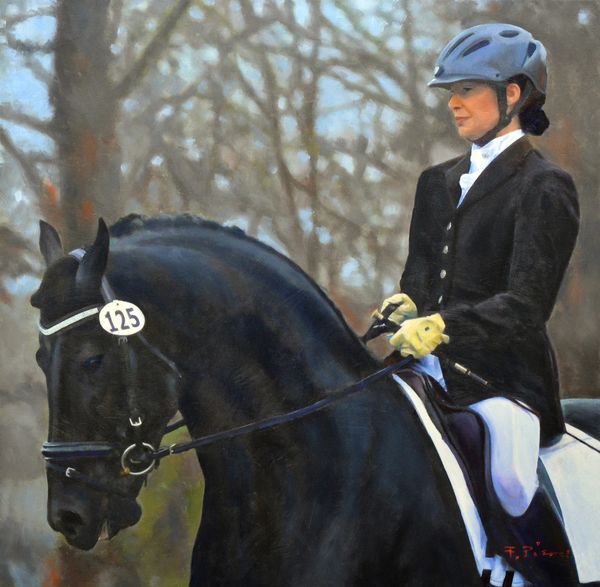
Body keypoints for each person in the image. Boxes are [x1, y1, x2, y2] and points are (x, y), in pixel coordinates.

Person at [374, 23, 579, 522]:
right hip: (425, 370)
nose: (454, 103)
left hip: (504, 383)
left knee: (510, 484)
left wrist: (445, 326)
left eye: (467, 90)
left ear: (512, 94)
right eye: (452, 92)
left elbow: (527, 307)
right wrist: (411, 305)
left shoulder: (545, 186)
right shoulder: (435, 182)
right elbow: (421, 281)